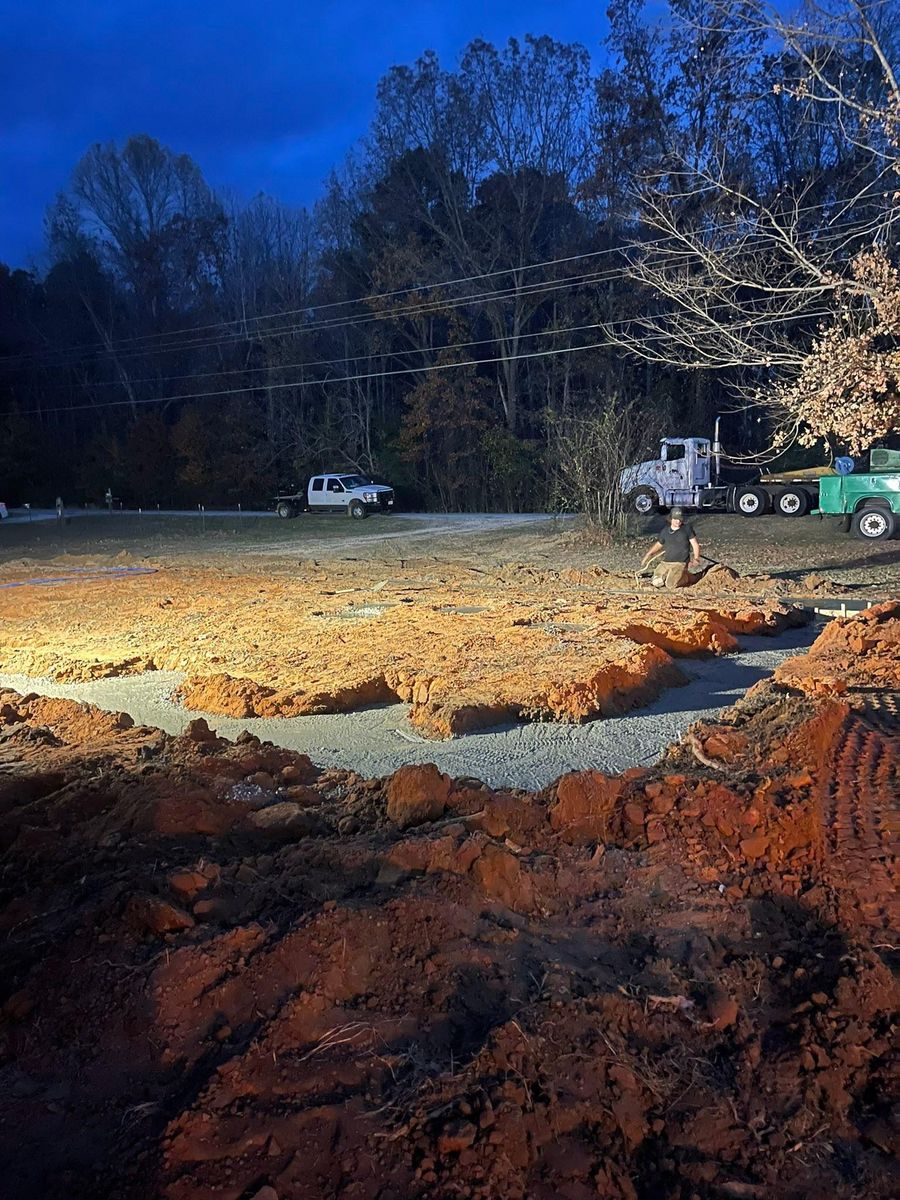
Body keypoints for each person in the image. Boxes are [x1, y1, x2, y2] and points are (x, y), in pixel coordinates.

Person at [641, 507, 701, 589]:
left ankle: (688, 577)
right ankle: (668, 575)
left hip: (680, 563)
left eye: (680, 519)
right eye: (676, 519)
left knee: (671, 584)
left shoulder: (687, 529)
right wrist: (649, 554)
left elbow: (695, 544)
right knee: (656, 582)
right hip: (666, 563)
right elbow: (659, 544)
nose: (678, 521)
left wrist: (696, 558)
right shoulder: (665, 531)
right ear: (671, 518)